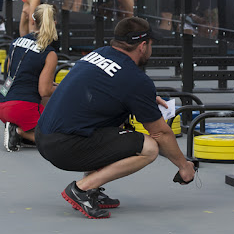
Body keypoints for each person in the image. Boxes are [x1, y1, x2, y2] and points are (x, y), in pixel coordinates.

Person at [36, 17, 196, 219]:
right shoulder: (135, 80)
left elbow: (106, 89)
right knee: (149, 148)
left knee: (115, 119)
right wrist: (184, 166)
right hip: (64, 146)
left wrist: (145, 98)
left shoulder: (99, 53)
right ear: (143, 46)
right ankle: (82, 189)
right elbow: (161, 133)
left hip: (43, 134)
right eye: (151, 45)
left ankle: (92, 190)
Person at [0, 4, 58, 152]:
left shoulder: (16, 43)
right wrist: (66, 88)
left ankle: (21, 130)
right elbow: (44, 90)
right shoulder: (49, 53)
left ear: (33, 21)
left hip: (2, 104)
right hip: (22, 107)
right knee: (60, 142)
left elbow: (11, 73)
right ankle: (19, 131)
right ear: (54, 23)